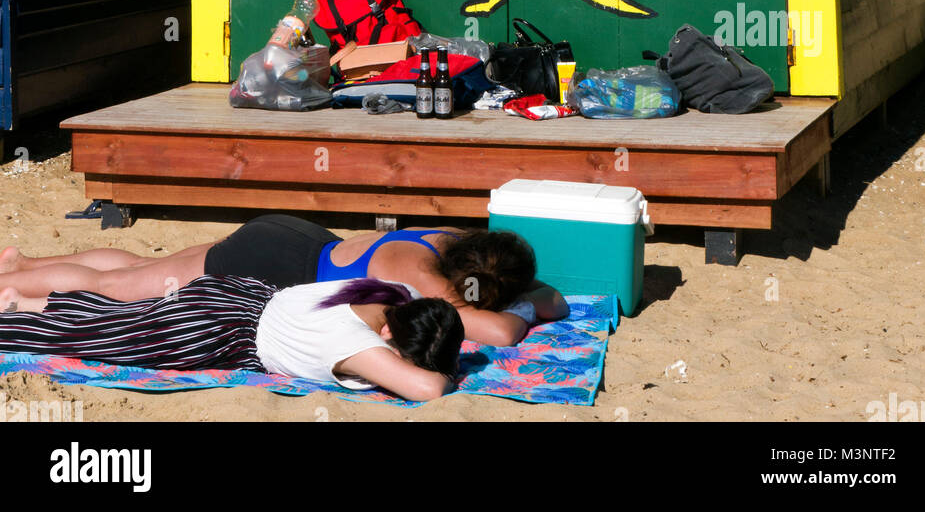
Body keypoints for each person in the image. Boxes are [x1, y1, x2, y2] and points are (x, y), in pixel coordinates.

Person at [0, 220, 567, 345]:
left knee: (140, 267)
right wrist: (526, 302)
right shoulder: (426, 280)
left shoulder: (442, 241)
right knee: (129, 288)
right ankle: (16, 289)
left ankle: (22, 264)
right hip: (269, 266)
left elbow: (542, 292)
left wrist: (530, 290)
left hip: (291, 236)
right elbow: (502, 332)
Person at [0, 274, 462, 402]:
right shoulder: (360, 346)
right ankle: (13, 319)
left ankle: (21, 303)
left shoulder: (394, 294)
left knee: (116, 317)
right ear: (388, 337)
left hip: (236, 295)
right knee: (95, 340)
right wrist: (436, 369)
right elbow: (429, 389)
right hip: (215, 332)